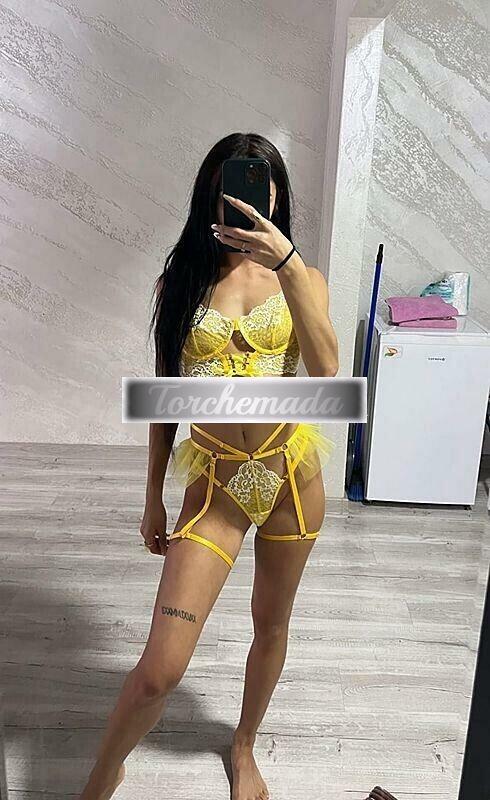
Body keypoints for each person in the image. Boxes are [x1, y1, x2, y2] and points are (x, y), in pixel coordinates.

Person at [78, 132, 339, 800]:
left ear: (277, 198)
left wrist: (288, 264)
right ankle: (105, 771)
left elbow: (326, 371)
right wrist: (152, 496)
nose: (246, 204)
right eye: (232, 191)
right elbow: (167, 394)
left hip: (290, 480)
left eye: (260, 192)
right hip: (217, 487)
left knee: (271, 624)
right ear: (210, 197)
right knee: (158, 672)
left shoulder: (305, 279)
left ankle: (244, 744)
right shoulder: (184, 280)